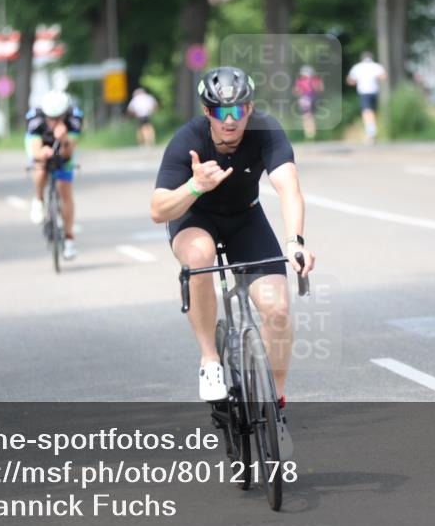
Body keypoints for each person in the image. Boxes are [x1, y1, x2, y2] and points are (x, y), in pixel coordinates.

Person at [151, 66, 316, 405]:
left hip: (245, 218)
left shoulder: (266, 130)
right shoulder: (189, 139)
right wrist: (196, 186)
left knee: (278, 311)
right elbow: (159, 209)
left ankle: (275, 401)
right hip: (196, 218)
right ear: (207, 112)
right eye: (220, 111)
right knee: (198, 257)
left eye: (238, 110)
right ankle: (210, 359)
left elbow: (289, 188)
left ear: (250, 109)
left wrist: (295, 241)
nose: (230, 120)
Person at [26, 90, 83, 261]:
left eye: (59, 117)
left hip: (63, 147)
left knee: (65, 190)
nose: (54, 122)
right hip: (41, 144)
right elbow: (35, 150)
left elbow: (68, 153)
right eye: (51, 118)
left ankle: (69, 238)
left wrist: (64, 139)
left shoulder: (74, 119)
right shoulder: (35, 119)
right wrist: (42, 153)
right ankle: (39, 200)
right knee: (41, 168)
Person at [346, 51, 387, 143]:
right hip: (374, 91)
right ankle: (372, 131)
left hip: (364, 92)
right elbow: (383, 76)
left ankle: (371, 133)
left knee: (367, 112)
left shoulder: (357, 67)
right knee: (373, 112)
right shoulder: (376, 66)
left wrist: (357, 81)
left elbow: (349, 80)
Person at [293, 65, 324, 140]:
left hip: (308, 99)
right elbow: (296, 91)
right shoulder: (305, 80)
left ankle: (310, 134)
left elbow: (296, 91)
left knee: (307, 116)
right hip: (308, 99)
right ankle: (311, 134)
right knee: (309, 116)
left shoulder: (312, 79)